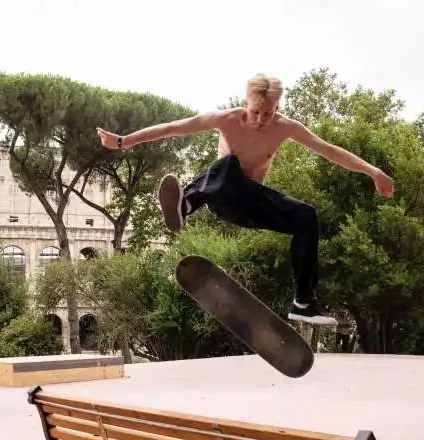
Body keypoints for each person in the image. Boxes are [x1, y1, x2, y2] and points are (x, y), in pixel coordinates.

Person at [96, 74, 395, 326]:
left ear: (279, 106)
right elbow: (173, 128)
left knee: (307, 215)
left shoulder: (287, 127)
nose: (261, 120)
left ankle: (303, 301)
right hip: (222, 197)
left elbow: (330, 151)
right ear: (246, 102)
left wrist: (374, 172)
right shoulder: (226, 120)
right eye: (256, 112)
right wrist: (123, 141)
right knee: (228, 166)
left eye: (269, 113)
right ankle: (185, 206)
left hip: (254, 204)